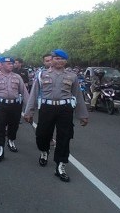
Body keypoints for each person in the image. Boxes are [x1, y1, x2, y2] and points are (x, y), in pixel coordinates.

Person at [24, 49, 88, 183]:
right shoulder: (42, 74)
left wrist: (83, 115)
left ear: (66, 61)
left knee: (64, 137)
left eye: (62, 59)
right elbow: (34, 94)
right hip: (47, 108)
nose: (59, 61)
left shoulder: (72, 76)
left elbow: (78, 95)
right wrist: (29, 111)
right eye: (56, 58)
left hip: (65, 109)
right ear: (51, 60)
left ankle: (60, 165)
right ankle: (44, 151)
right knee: (42, 134)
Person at [0, 57, 29, 162]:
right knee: (0, 127)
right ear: (2, 64)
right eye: (8, 63)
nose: (11, 65)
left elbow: (24, 92)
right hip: (0, 105)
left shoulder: (17, 77)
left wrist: (28, 108)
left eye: (12, 63)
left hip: (15, 105)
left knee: (14, 125)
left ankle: (11, 140)